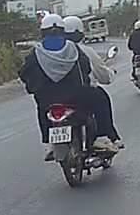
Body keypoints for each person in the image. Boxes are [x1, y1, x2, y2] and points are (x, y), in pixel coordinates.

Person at [19, 14, 118, 160]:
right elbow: (85, 67)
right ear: (62, 30)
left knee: (41, 108)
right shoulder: (73, 48)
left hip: (47, 99)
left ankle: (48, 143)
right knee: (100, 98)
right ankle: (101, 136)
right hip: (76, 97)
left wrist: (36, 88)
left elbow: (25, 73)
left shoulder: (36, 52)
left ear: (42, 31)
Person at [62, 15, 124, 150]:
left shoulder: (51, 52)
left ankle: (49, 143)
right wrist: (110, 75)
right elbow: (102, 75)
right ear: (79, 32)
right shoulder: (85, 51)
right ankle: (104, 135)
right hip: (81, 93)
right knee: (102, 98)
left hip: (55, 95)